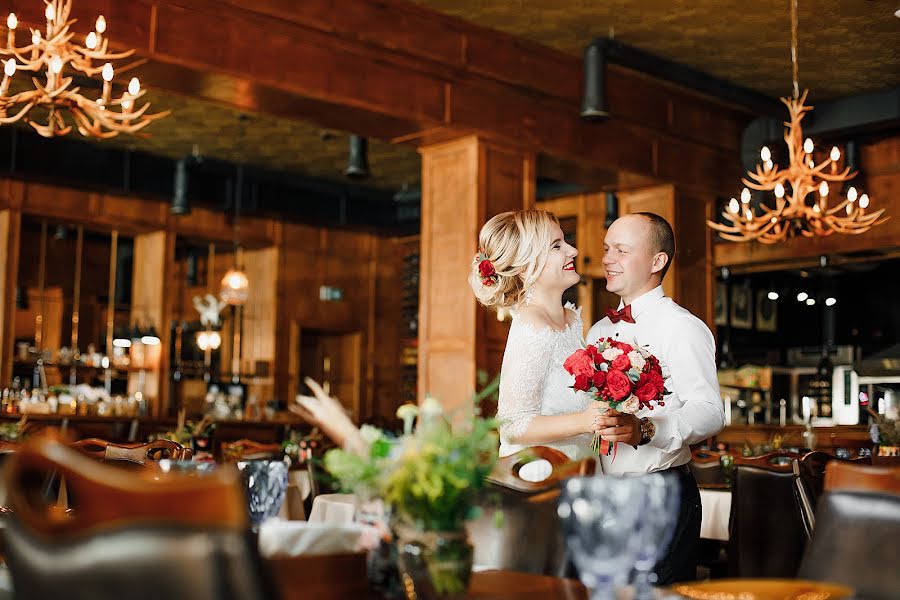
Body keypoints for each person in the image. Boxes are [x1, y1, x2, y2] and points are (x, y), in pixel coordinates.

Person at [585, 212, 725, 584]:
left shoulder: (682, 327)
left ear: (657, 261)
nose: (608, 258)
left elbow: (711, 411)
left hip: (660, 494)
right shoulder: (598, 330)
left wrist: (645, 429)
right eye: (606, 248)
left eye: (621, 249)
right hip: (605, 493)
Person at [470, 209, 600, 461]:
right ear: (524, 267)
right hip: (542, 475)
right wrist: (586, 421)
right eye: (556, 246)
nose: (572, 250)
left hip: (581, 468)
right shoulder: (532, 326)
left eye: (565, 241)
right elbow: (513, 425)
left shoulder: (571, 319)